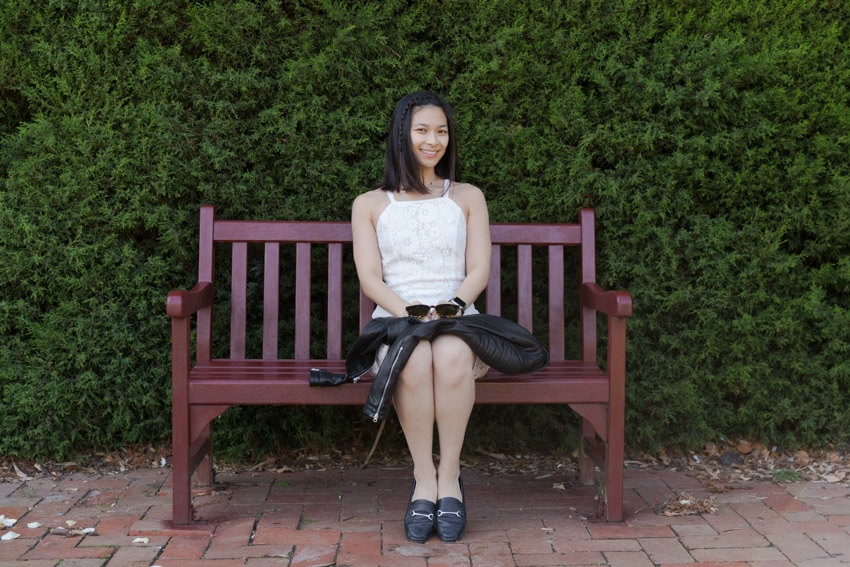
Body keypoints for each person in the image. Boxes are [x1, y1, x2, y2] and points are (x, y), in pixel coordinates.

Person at [351, 91, 491, 543]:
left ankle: (449, 478)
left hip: (456, 315)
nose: (434, 141)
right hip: (398, 317)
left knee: (449, 357)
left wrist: (452, 304)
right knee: (412, 359)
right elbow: (371, 278)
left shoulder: (467, 196)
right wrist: (408, 311)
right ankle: (422, 479)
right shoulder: (370, 204)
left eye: (442, 131)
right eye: (423, 131)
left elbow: (479, 268)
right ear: (402, 136)